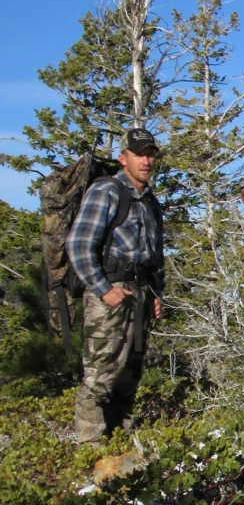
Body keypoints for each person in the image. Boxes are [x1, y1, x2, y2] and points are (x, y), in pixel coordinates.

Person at [66, 127, 165, 445]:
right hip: (111, 292)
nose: (146, 160)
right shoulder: (106, 191)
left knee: (130, 373)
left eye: (150, 154)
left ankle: (121, 442)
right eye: (139, 154)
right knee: (101, 372)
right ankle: (91, 448)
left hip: (141, 293)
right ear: (124, 158)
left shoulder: (150, 200)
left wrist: (156, 293)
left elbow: (156, 254)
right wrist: (103, 288)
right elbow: (79, 244)